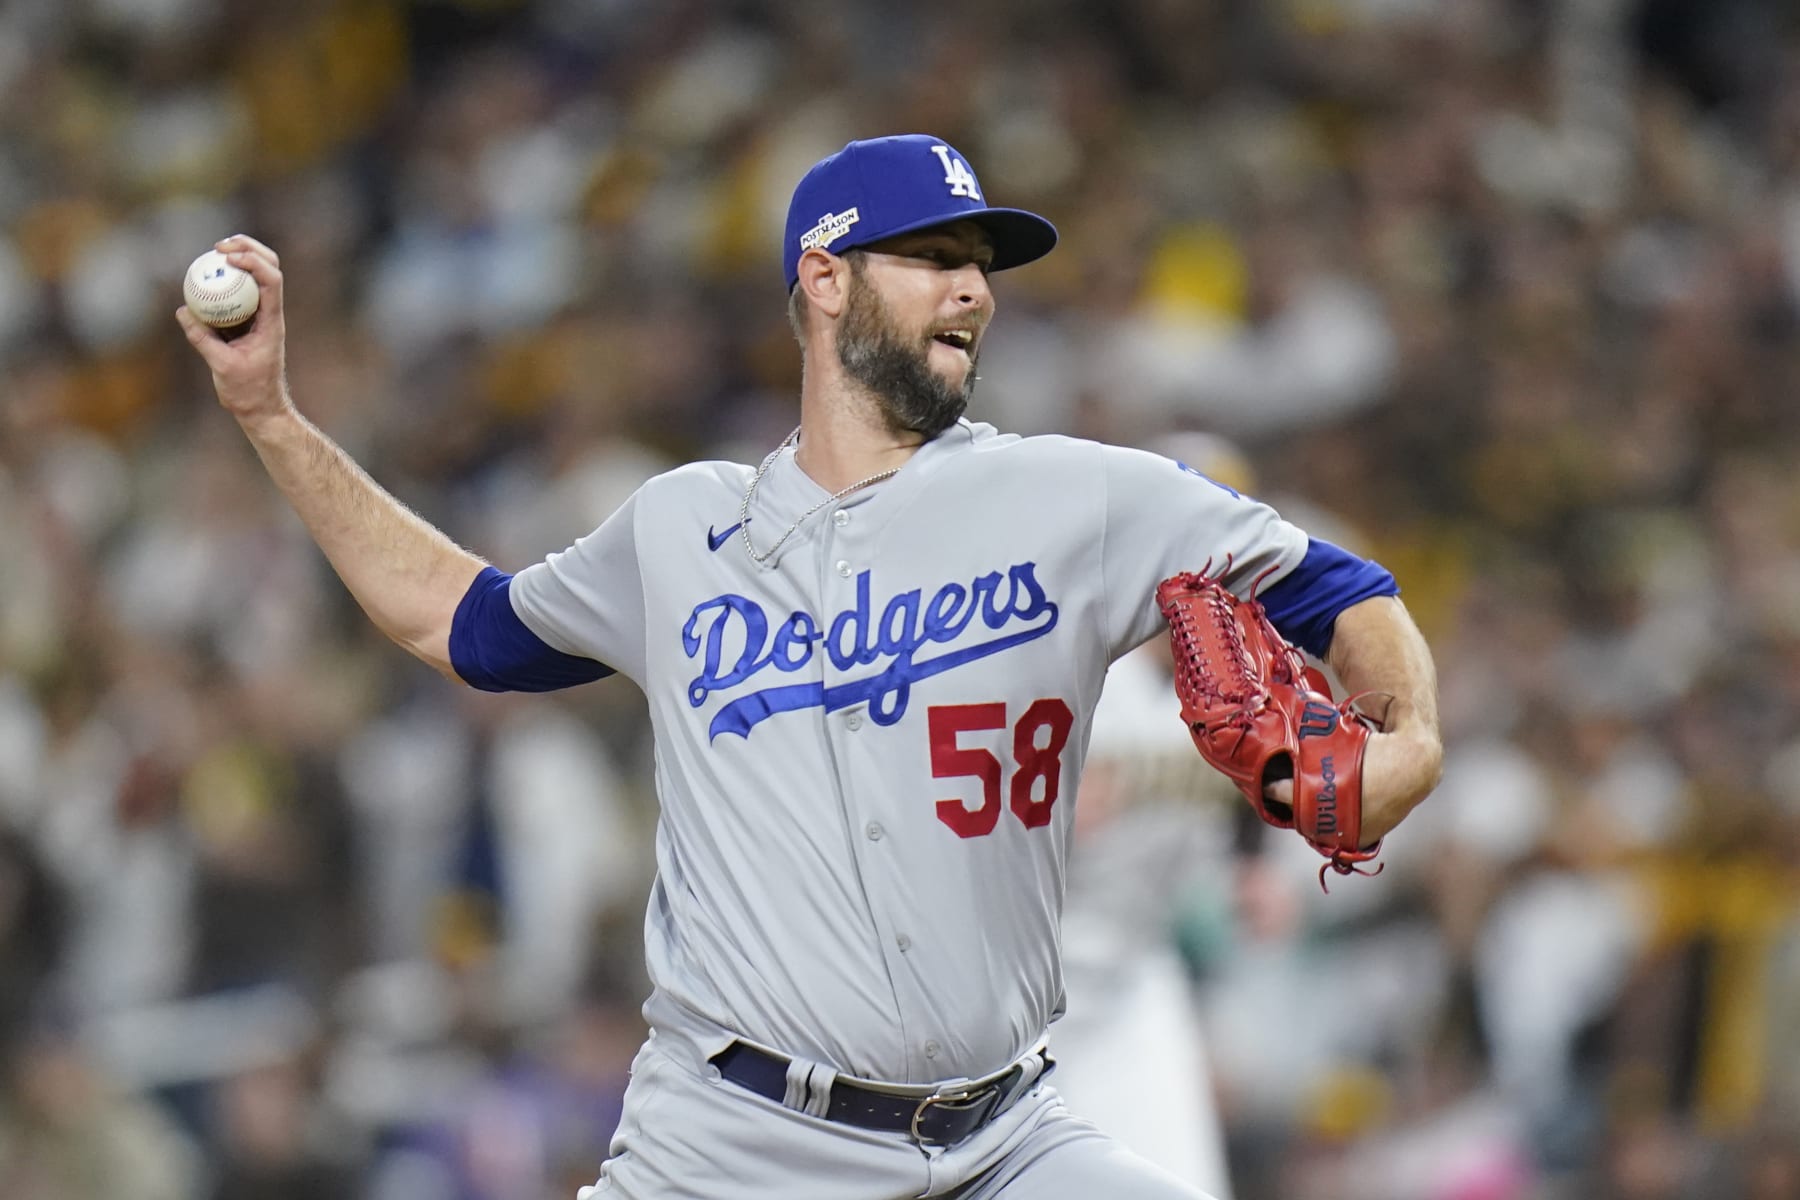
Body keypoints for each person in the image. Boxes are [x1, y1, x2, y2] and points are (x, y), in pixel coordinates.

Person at [177, 134, 1443, 1200]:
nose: (974, 292)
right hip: (731, 1148)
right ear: (826, 279)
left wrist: (1409, 738)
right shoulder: (679, 530)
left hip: (1004, 1140)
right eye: (935, 260)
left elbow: (1343, 591)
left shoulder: (1078, 499)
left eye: (980, 268)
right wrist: (273, 418)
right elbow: (458, 622)